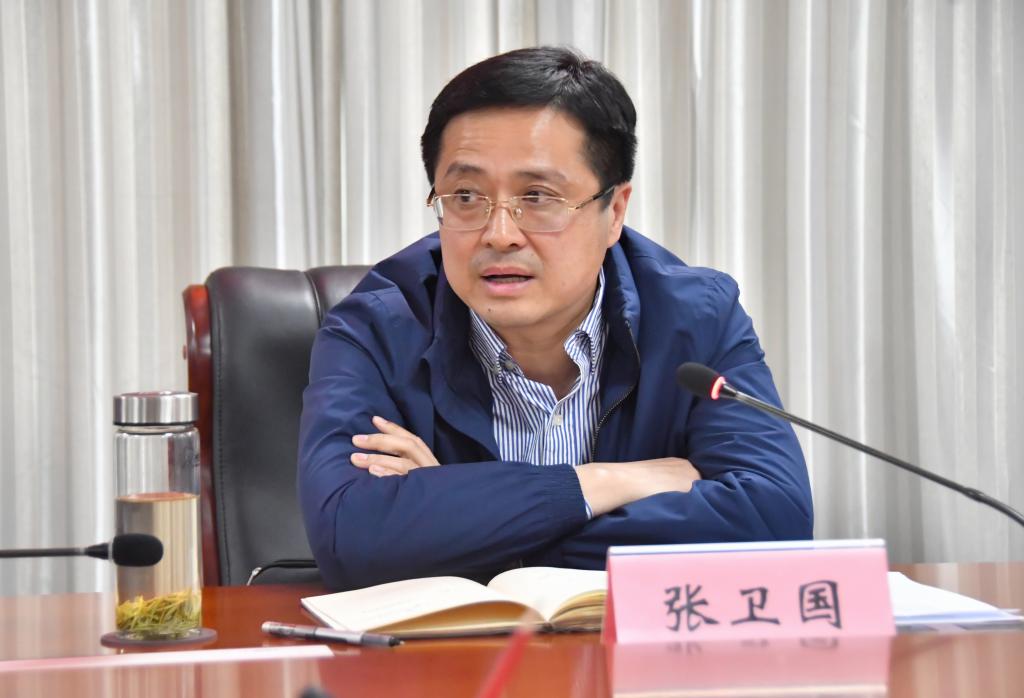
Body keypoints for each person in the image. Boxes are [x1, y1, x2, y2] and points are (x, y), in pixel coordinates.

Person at [298, 46, 812, 591]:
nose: (499, 234)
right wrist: (606, 483)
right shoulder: (375, 327)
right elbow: (350, 539)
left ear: (614, 212)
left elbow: (774, 518)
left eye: (537, 197)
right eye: (466, 195)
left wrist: (456, 517)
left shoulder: (697, 317)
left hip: (625, 645)